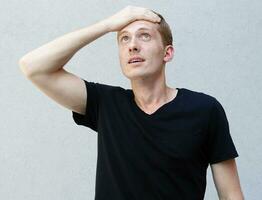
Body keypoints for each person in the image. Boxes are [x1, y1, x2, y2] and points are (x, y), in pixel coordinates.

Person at [19, 5, 244, 200]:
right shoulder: (106, 104)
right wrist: (108, 25)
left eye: (144, 36)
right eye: (124, 38)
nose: (132, 45)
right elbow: (33, 66)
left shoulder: (205, 110)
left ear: (168, 53)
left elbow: (230, 194)